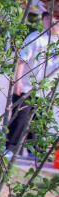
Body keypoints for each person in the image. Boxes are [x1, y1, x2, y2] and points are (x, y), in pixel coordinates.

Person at [6, 12, 59, 159]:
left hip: (46, 91)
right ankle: (10, 149)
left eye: (55, 20)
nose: (52, 23)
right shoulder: (36, 38)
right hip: (27, 87)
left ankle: (35, 152)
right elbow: (21, 60)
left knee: (39, 123)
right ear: (43, 21)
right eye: (48, 19)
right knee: (20, 120)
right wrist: (18, 81)